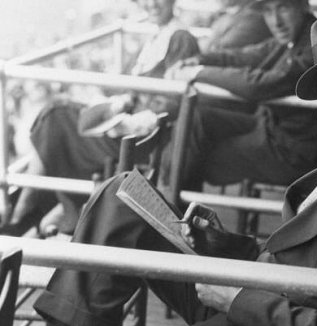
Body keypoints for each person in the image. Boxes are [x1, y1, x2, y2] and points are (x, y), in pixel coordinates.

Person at [34, 1, 317, 326]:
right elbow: (302, 257)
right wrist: (221, 243)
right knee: (121, 193)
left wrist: (236, 300)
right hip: (252, 293)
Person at [5, 0, 199, 234]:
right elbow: (134, 89)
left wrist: (128, 117)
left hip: (142, 140)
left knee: (55, 118)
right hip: (131, 129)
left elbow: (174, 102)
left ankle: (24, 209)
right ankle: (38, 207)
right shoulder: (159, 37)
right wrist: (113, 103)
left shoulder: (179, 39)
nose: (152, 4)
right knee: (58, 113)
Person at [161, 0, 317, 191]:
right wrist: (198, 60)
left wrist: (197, 72)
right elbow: (244, 56)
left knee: (192, 157)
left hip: (294, 153)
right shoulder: (296, 36)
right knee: (197, 118)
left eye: (283, 8)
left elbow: (258, 85)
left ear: (303, 7)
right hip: (270, 127)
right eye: (268, 11)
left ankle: (170, 209)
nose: (275, 21)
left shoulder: (314, 45)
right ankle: (172, 206)